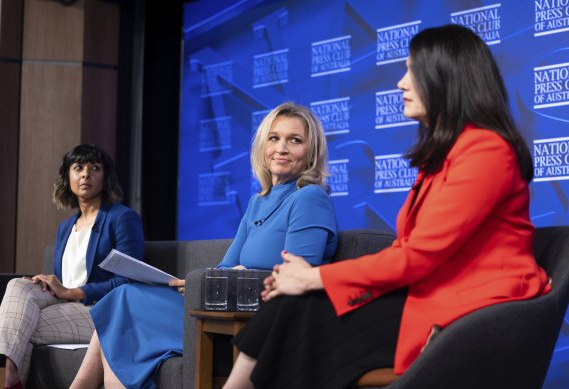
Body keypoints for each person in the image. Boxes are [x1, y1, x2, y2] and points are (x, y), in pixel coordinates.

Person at [223, 24, 552, 389]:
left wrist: (314, 277)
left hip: (472, 315)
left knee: (304, 311)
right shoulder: (443, 157)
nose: (401, 83)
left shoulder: (486, 150)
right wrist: (309, 283)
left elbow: (418, 256)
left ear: (445, 78)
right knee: (292, 305)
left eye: (412, 70)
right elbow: (406, 250)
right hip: (430, 295)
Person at [69, 102, 338, 389]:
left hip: (254, 320)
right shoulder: (258, 201)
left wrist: (237, 274)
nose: (281, 148)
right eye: (274, 138)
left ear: (311, 152)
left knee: (123, 302)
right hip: (222, 308)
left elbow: (298, 278)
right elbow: (226, 266)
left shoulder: (309, 198)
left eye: (294, 140)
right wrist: (196, 283)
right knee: (121, 301)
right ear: (262, 146)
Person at [0, 144, 145, 389]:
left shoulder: (121, 218)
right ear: (68, 177)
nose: (85, 174)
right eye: (78, 168)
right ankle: (9, 373)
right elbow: (62, 282)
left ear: (105, 177)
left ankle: (5, 380)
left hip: (101, 311)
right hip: (65, 306)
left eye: (94, 168)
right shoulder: (65, 227)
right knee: (18, 285)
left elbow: (130, 280)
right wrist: (49, 284)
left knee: (20, 323)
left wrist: (70, 292)